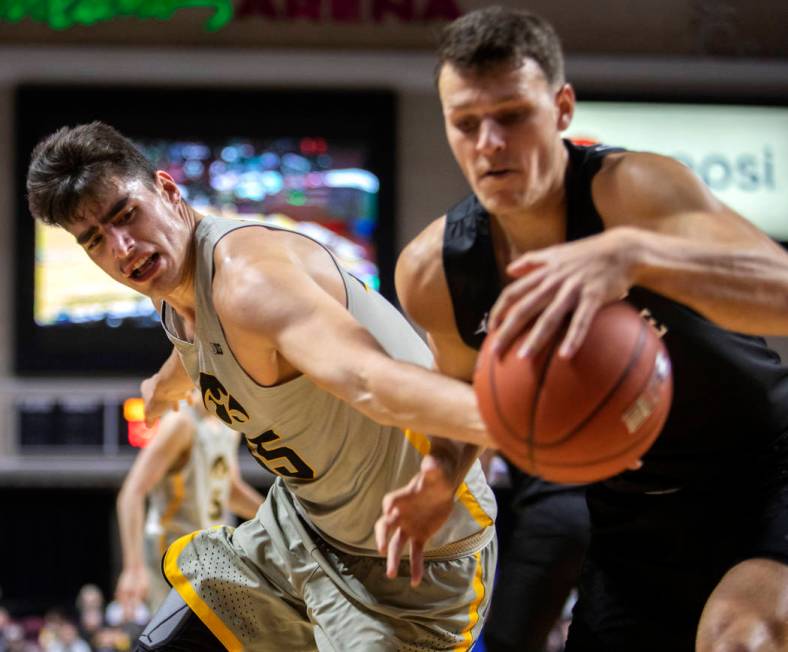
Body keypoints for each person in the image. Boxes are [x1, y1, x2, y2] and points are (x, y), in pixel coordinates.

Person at [381, 6, 788, 652]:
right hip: (630, 520)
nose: (489, 143)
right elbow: (462, 401)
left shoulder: (637, 192)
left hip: (764, 474)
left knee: (741, 636)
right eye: (466, 124)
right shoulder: (438, 272)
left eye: (512, 116)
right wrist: (438, 480)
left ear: (562, 108)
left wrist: (636, 254)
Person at [26, 121, 497, 651]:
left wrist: (487, 431)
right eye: (96, 240)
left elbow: (370, 379)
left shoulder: (249, 281)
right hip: (297, 536)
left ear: (168, 189)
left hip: (412, 561)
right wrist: (163, 385)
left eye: (125, 214)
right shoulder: (173, 291)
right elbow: (201, 346)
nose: (122, 246)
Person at [115, 394, 264, 615]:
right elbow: (131, 493)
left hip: (211, 551)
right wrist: (133, 568)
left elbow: (229, 490)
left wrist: (274, 517)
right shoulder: (181, 423)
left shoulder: (230, 424)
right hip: (174, 552)